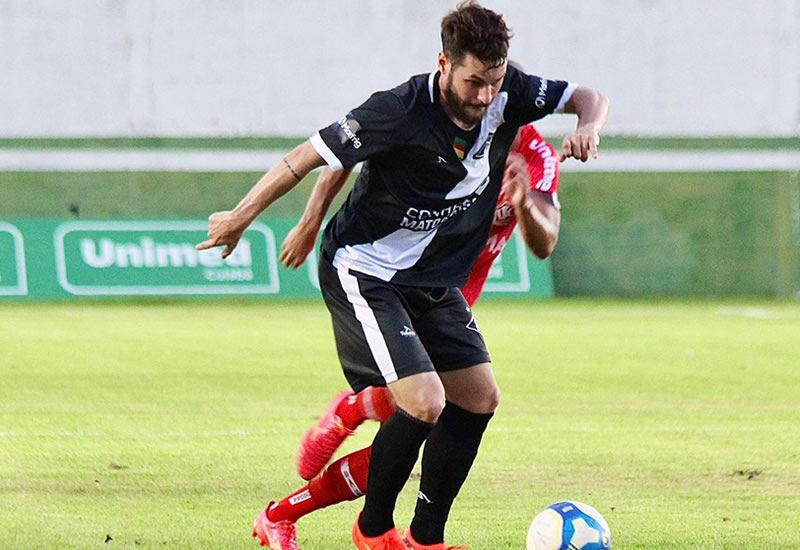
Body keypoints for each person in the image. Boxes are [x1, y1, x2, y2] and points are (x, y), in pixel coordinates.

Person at [197, 2, 608, 548]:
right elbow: (310, 156)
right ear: (443, 62)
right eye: (473, 82)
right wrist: (241, 217)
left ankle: (425, 538)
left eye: (495, 81)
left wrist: (589, 125)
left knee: (480, 398)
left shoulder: (510, 93)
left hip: (431, 279)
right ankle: (372, 531)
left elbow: (587, 95)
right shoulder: (397, 110)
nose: (485, 96)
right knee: (423, 402)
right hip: (365, 270)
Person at [253, 122, 562, 550]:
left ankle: (298, 499)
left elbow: (545, 241)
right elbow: (347, 150)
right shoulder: (439, 120)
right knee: (417, 412)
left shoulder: (535, 155)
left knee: (432, 417)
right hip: (396, 282)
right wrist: (311, 222)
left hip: (451, 295)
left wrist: (525, 200)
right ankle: (344, 467)